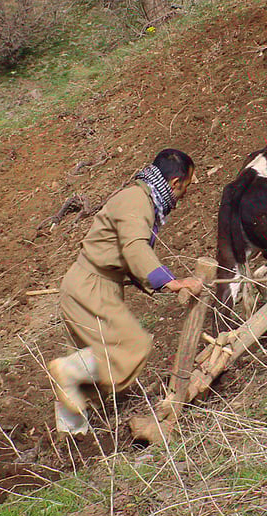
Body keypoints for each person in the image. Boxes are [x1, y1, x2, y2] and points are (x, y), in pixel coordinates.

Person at [48, 148, 205, 435]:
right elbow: (134, 247)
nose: (184, 196)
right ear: (174, 183)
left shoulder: (137, 198)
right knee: (131, 347)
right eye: (186, 187)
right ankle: (66, 372)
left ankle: (71, 438)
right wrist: (170, 281)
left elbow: (127, 251)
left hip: (89, 284)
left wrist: (162, 282)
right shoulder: (137, 201)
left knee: (90, 359)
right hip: (92, 287)